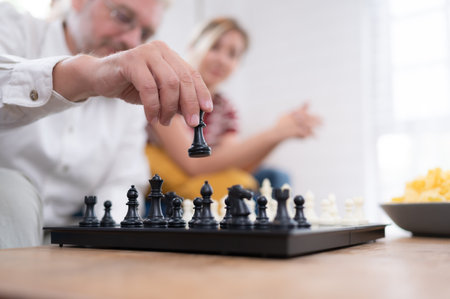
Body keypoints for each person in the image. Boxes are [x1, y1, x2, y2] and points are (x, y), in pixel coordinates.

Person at [0, 0, 213, 249]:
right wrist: (86, 76)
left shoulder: (130, 98)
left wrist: (110, 244)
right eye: (122, 16)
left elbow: (121, 181)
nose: (132, 40)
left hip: (64, 240)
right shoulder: (12, 25)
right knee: (10, 190)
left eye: (145, 33)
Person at [146, 17, 321, 205]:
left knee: (276, 178)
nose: (222, 60)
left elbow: (238, 164)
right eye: (214, 47)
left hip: (206, 183)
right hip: (170, 193)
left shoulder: (225, 109)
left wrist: (280, 135)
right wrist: (274, 133)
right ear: (192, 46)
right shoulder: (166, 92)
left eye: (232, 54)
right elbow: (193, 164)